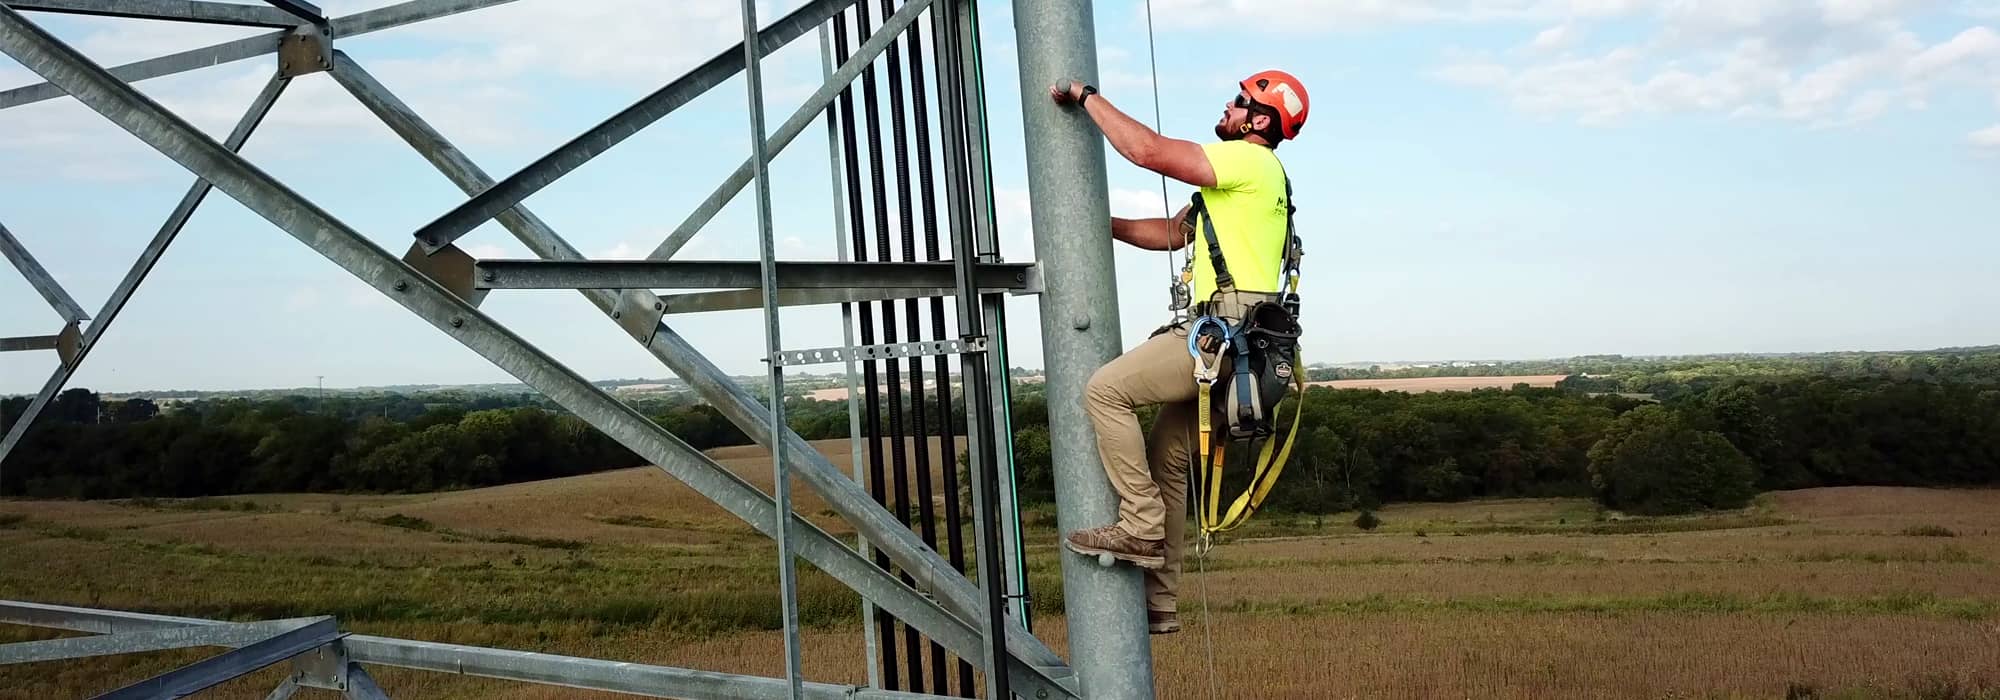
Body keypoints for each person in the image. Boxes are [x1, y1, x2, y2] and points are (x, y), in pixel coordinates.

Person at [1047, 70, 1309, 635]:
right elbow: (1170, 233)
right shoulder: (1249, 185)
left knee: (1105, 391)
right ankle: (1159, 603)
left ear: (1260, 120)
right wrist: (1097, 226)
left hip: (1224, 336)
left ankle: (1140, 523)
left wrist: (1086, 97)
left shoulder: (1247, 161)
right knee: (1168, 452)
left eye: (1240, 101)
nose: (1228, 106)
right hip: (1248, 352)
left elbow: (1146, 151)